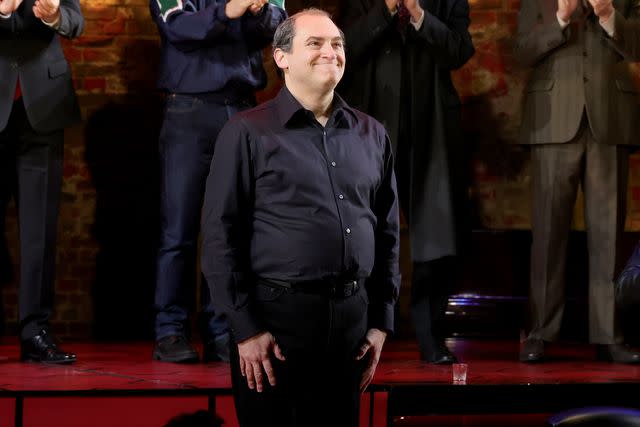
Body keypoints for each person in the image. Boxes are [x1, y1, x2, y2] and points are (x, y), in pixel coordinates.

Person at [201, 8, 400, 426]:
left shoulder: (372, 134)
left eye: (337, 44)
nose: (331, 52)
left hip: (351, 325)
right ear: (281, 57)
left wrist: (381, 322)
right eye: (315, 43)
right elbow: (220, 237)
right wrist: (246, 329)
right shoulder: (246, 132)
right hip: (276, 327)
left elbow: (388, 234)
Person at [149, 0, 286, 363]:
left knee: (231, 227)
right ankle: (170, 330)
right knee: (177, 230)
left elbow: (278, 27)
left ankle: (222, 328)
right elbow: (177, 27)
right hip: (189, 109)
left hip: (242, 106)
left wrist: (256, 11)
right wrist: (229, 10)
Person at [339, 0, 474, 364]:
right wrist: (384, 11)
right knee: (361, 232)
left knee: (435, 233)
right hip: (369, 122)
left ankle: (430, 333)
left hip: (429, 124)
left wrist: (418, 15)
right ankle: (361, 329)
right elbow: (343, 48)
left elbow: (460, 50)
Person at [515, 0, 640, 364]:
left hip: (610, 119)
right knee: (549, 233)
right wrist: (560, 18)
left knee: (609, 235)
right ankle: (540, 332)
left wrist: (608, 16)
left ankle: (609, 335)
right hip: (553, 119)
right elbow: (522, 51)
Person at [0, 0, 82, 363]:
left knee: (39, 230)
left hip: (43, 106)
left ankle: (35, 329)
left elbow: (75, 22)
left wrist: (54, 17)